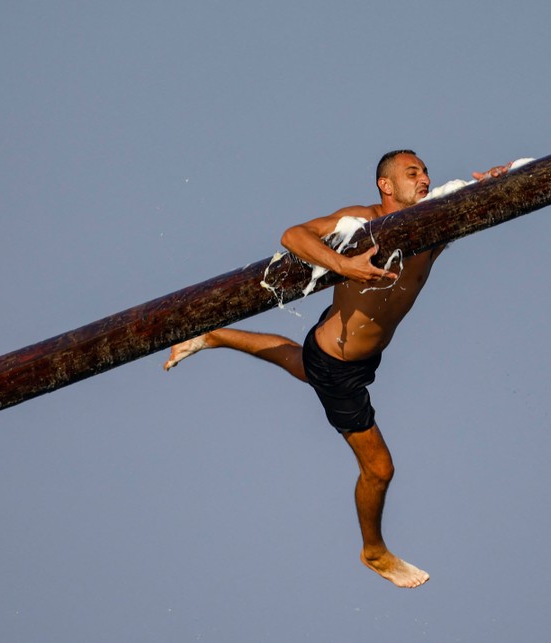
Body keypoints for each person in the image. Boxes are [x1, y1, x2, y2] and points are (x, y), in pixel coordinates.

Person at [163, 150, 509, 588]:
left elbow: (486, 201)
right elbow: (294, 235)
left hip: (350, 351)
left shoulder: (433, 225)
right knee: (380, 469)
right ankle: (374, 551)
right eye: (412, 173)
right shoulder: (361, 223)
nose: (424, 178)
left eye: (425, 172)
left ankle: (214, 336)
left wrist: (500, 181)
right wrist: (345, 265)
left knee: (302, 362)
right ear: (386, 185)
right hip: (339, 363)